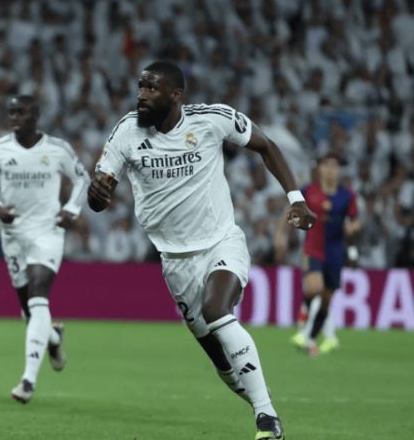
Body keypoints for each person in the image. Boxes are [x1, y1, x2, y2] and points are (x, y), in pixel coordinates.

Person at [87, 61, 315, 440]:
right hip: (175, 262)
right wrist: (98, 195)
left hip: (221, 242)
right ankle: (257, 394)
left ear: (176, 95)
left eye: (151, 89)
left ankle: (267, 418)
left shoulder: (212, 120)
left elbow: (266, 145)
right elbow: (100, 191)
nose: (142, 95)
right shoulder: (127, 132)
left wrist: (295, 198)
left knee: (216, 310)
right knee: (221, 363)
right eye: (140, 87)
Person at [0, 94, 90, 404]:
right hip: (13, 235)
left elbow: (82, 179)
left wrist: (72, 210)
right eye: (11, 111)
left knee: (40, 294)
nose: (15, 117)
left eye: (21, 112)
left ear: (36, 115)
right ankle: (53, 337)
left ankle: (27, 380)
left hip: (47, 231)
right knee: (30, 311)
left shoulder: (57, 149)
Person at [283, 153, 361, 355]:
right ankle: (306, 322)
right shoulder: (308, 191)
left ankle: (308, 337)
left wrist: (352, 246)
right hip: (313, 248)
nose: (331, 170)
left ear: (340, 170)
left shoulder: (348, 195)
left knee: (326, 299)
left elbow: (354, 221)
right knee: (314, 288)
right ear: (319, 168)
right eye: (327, 166)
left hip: (336, 252)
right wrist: (283, 233)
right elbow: (290, 213)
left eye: (335, 167)